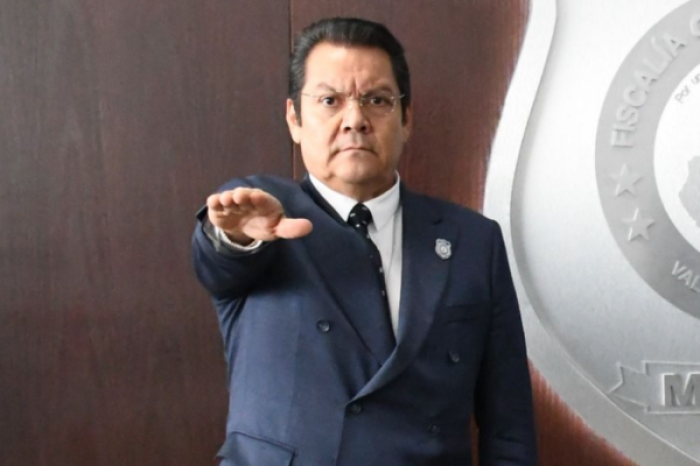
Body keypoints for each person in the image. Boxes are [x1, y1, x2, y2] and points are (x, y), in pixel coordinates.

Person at [192, 17, 536, 466]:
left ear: (406, 118)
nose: (355, 120)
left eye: (377, 100)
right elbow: (218, 260)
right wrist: (235, 237)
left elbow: (509, 427)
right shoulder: (263, 217)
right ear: (294, 118)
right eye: (329, 101)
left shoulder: (473, 241)